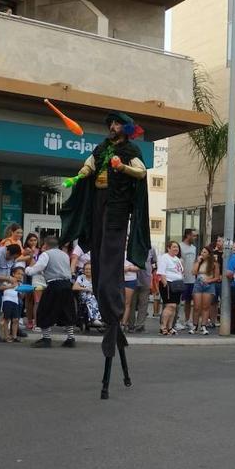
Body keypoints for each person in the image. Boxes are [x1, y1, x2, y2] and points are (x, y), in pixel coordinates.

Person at [61, 111, 151, 367]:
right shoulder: (101, 148)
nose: (112, 126)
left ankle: (112, 306)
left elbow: (141, 172)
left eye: (117, 123)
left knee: (111, 252)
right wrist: (79, 176)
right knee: (99, 251)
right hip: (98, 202)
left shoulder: (131, 149)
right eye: (110, 123)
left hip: (117, 207)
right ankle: (104, 298)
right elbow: (89, 165)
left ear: (125, 128)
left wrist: (121, 166)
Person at [157, 241, 185, 336]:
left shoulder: (177, 259)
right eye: (173, 247)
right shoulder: (165, 257)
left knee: (174, 307)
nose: (176, 249)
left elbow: (180, 272)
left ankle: (170, 327)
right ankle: (163, 327)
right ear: (168, 248)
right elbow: (161, 271)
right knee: (170, 306)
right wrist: (165, 284)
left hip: (177, 285)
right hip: (168, 283)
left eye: (177, 247)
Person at [190, 245, 219, 335]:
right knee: (196, 306)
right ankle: (195, 325)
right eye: (202, 252)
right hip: (198, 284)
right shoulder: (199, 262)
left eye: (205, 252)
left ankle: (204, 325)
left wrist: (209, 281)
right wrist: (198, 262)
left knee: (206, 307)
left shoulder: (214, 264)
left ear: (209, 254)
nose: (202, 254)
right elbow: (193, 272)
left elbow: (217, 277)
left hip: (208, 285)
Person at [0, 266, 26, 342]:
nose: (20, 276)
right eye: (18, 274)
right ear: (13, 274)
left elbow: (21, 296)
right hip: (7, 301)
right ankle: (6, 336)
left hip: (15, 301)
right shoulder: (8, 280)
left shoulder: (20, 284)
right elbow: (0, 288)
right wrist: (11, 286)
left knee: (16, 319)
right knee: (6, 319)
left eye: (21, 274)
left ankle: (14, 336)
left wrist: (23, 291)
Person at [180, 229, 197, 332]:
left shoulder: (194, 248)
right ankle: (178, 320)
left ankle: (187, 320)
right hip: (182, 278)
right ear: (187, 235)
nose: (195, 238)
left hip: (192, 278)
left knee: (189, 301)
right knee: (180, 300)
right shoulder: (180, 246)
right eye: (193, 236)